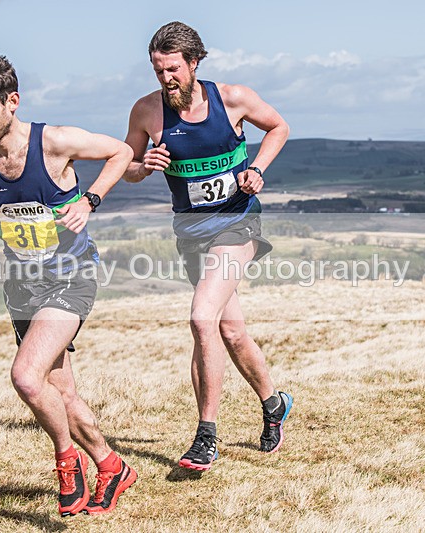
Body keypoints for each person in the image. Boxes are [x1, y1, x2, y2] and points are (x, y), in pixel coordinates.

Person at [0, 52, 136, 516]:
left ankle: (66, 461)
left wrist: (91, 199)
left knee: (25, 377)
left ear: (11, 101)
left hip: (71, 277)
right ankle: (112, 465)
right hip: (22, 286)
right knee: (61, 392)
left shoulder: (55, 142)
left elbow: (122, 152)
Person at [123, 22, 294, 471]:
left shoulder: (232, 98)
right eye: (158, 70)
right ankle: (274, 404)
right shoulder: (147, 112)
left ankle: (206, 436)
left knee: (202, 318)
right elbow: (126, 168)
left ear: (194, 63)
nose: (166, 79)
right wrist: (144, 166)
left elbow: (278, 127)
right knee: (230, 330)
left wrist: (257, 168)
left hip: (238, 223)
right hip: (192, 234)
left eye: (173, 69)